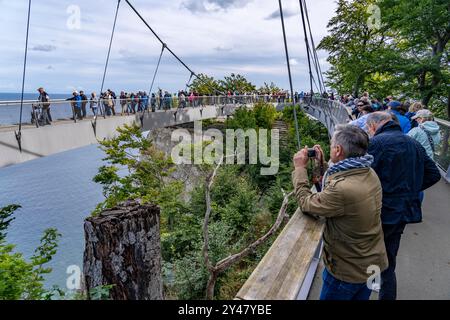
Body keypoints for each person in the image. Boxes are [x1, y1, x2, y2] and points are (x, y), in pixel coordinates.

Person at [292, 125, 388, 300]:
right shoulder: (368, 171)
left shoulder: (343, 189)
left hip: (348, 270)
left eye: (331, 145)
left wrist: (299, 169)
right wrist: (323, 164)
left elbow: (306, 203)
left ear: (338, 150)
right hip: (371, 262)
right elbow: (338, 179)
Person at [366, 112, 441, 300]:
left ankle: (368, 288)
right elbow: (433, 174)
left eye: (369, 129)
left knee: (370, 256)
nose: (369, 132)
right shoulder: (413, 143)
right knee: (389, 261)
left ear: (374, 126)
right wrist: (411, 189)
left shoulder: (376, 144)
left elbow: (363, 178)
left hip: (380, 210)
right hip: (404, 211)